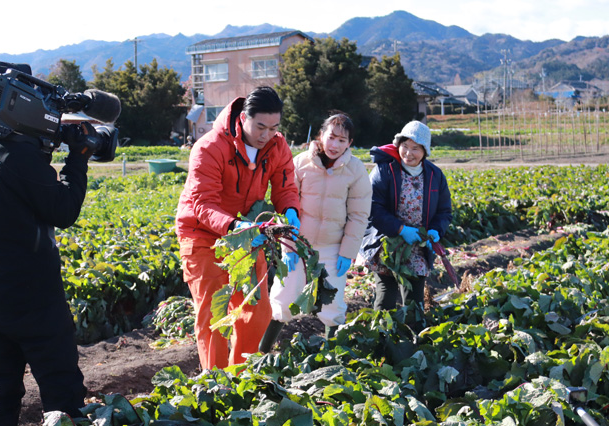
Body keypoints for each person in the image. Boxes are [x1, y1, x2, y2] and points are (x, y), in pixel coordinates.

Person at [0, 61, 98, 426]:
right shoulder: (17, 158)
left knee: (0, 385)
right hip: (33, 297)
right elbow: (64, 209)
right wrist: (78, 159)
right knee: (61, 387)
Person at [175, 86, 300, 370]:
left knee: (256, 312)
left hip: (247, 237)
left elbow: (286, 187)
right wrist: (236, 225)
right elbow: (203, 205)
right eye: (260, 126)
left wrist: (291, 210)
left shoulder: (277, 146)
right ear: (243, 118)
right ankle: (215, 384)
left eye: (273, 127)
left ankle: (242, 378)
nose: (266, 134)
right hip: (202, 235)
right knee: (214, 317)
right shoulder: (209, 147)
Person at [262, 112, 371, 348]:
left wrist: (348, 251)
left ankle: (333, 355)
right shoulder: (300, 163)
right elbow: (284, 203)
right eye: (331, 137)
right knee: (283, 298)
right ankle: (263, 351)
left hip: (333, 248)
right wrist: (288, 247)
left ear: (349, 143)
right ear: (321, 136)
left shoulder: (356, 170)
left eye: (342, 141)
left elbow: (358, 214)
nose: (335, 145)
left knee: (333, 304)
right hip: (299, 245)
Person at [359, 120, 452, 311]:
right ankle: (382, 337)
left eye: (415, 148)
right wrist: (400, 229)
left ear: (425, 151)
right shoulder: (385, 170)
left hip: (417, 246)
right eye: (405, 146)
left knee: (414, 301)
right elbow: (372, 207)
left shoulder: (435, 175)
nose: (408, 153)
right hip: (386, 244)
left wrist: (436, 230)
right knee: (386, 296)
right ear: (398, 145)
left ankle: (413, 337)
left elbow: (444, 211)